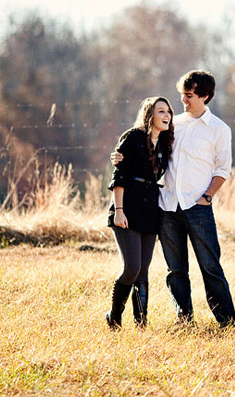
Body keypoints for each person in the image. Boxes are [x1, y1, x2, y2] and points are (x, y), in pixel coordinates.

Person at [112, 70, 235, 327]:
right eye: (182, 95)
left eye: (188, 96)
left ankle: (226, 320)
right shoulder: (172, 124)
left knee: (210, 266)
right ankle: (184, 319)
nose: (183, 101)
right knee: (176, 270)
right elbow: (142, 148)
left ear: (204, 95)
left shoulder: (219, 130)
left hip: (198, 207)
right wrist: (118, 158)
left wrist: (207, 197)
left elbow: (222, 170)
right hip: (167, 207)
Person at [105, 96, 174, 330]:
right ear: (149, 115)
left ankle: (141, 324)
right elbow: (119, 175)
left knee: (143, 271)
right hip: (128, 208)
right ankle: (114, 316)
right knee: (131, 268)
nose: (166, 116)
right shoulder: (133, 137)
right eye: (161, 111)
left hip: (150, 210)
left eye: (169, 112)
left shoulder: (165, 143)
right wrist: (119, 210)